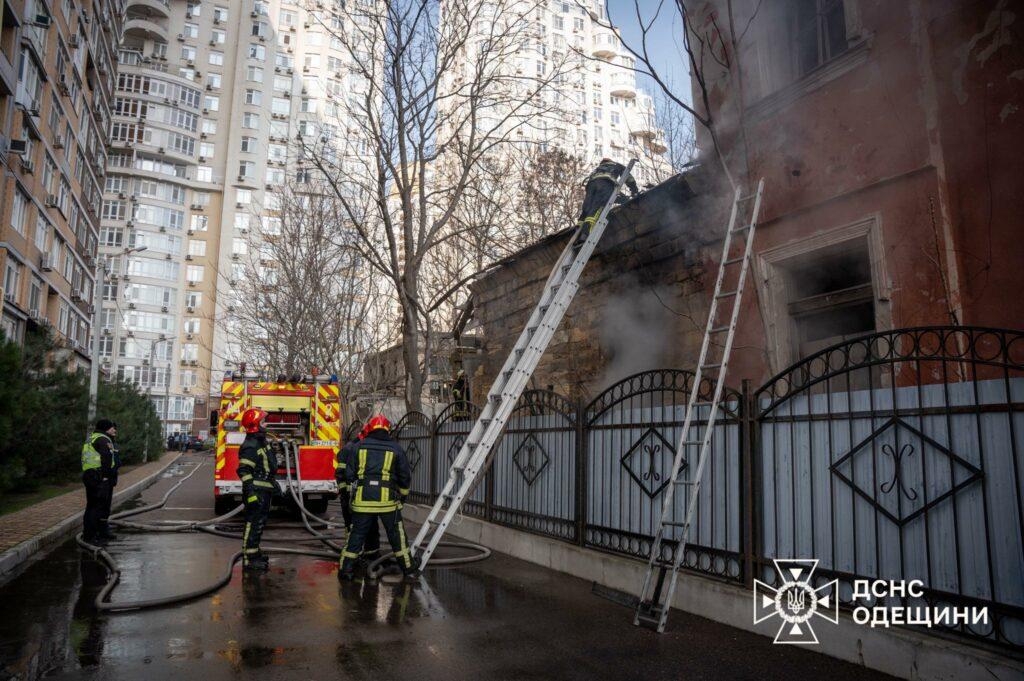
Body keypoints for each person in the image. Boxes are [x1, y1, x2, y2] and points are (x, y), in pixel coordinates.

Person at [338, 415, 417, 582]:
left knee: (356, 536)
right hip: (388, 503)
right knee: (397, 537)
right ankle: (409, 571)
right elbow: (405, 477)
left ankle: (346, 571)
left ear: (370, 429)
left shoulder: (357, 447)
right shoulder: (396, 448)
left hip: (362, 501)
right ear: (388, 430)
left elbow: (349, 474)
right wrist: (402, 498)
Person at [236, 408, 277, 571]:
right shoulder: (250, 445)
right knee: (252, 524)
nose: (265, 424)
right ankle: (249, 559)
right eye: (262, 421)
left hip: (265, 490)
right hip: (257, 492)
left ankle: (255, 552)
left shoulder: (261, 441)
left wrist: (274, 485)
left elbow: (268, 466)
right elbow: (244, 471)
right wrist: (251, 493)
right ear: (255, 425)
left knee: (259, 524)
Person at [335, 423, 381, 558]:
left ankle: (369, 553)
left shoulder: (361, 447)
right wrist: (345, 494)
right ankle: (353, 554)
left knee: (370, 524)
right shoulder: (349, 449)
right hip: (351, 495)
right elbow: (340, 474)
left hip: (362, 494)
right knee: (353, 525)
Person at [572, 158, 638, 247]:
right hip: (605, 184)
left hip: (591, 186)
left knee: (586, 209)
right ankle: (585, 235)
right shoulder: (616, 165)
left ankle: (577, 234)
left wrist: (623, 199)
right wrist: (634, 190)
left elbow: (610, 197)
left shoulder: (597, 169)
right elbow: (628, 177)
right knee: (597, 208)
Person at [81, 419, 120, 544]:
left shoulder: (92, 438)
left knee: (95, 506)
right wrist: (105, 477)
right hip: (99, 477)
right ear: (105, 428)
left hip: (91, 475)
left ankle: (98, 533)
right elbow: (106, 459)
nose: (114, 430)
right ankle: (91, 537)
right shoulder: (103, 439)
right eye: (112, 427)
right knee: (96, 507)